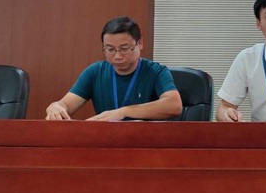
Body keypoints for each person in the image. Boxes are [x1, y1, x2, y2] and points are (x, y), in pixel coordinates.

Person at [45, 16, 182, 121]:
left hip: (144, 143)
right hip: (105, 142)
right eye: (110, 49)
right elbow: (65, 104)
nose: (117, 56)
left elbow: (174, 105)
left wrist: (123, 112)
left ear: (139, 43)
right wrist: (56, 107)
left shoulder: (156, 71)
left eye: (124, 49)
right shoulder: (95, 72)